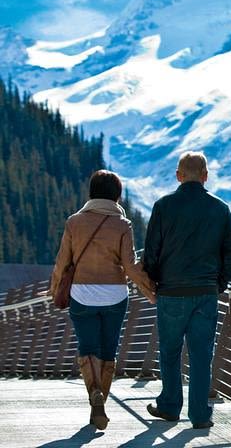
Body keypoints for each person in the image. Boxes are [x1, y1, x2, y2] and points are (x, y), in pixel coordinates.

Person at [49, 170, 156, 430]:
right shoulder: (122, 225)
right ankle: (101, 401)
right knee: (109, 349)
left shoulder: (74, 222)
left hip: (82, 295)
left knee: (88, 347)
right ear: (117, 196)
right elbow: (130, 267)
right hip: (114, 295)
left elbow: (63, 261)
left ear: (91, 193)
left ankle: (94, 394)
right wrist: (150, 290)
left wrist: (55, 291)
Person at [143, 152, 231, 429]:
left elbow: (152, 251)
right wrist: (218, 284)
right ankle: (200, 415)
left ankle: (170, 407)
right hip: (206, 291)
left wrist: (154, 280)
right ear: (206, 176)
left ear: (178, 175)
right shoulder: (220, 209)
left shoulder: (163, 206)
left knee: (170, 351)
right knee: (201, 355)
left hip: (171, 291)